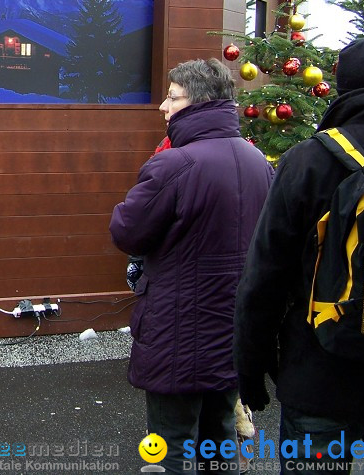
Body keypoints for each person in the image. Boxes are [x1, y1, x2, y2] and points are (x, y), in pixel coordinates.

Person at [109, 58, 273, 474]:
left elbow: (128, 232)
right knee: (219, 436)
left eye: (172, 96)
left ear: (197, 104)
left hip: (178, 331)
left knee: (168, 446)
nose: (163, 106)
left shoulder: (174, 165)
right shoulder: (260, 164)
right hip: (232, 331)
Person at [235, 37, 364, 472]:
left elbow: (265, 277)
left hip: (319, 372)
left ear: (339, 86)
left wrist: (251, 372)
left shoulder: (309, 161)